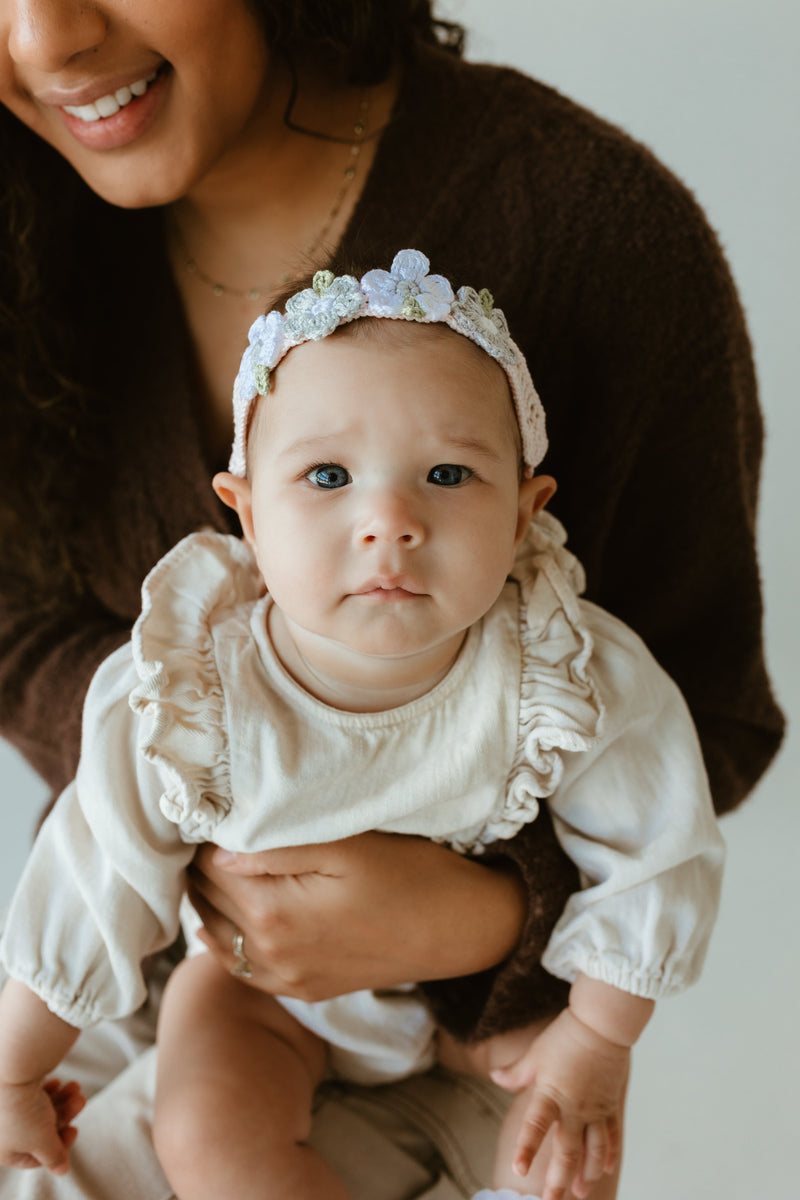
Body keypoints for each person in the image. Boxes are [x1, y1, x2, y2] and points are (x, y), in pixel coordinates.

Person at [0, 2, 783, 1197]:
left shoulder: (554, 649)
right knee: (195, 1143)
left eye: (449, 476)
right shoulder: (195, 674)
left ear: (529, 515)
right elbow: (92, 848)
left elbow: (676, 776)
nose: (43, 40)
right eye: (320, 477)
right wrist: (198, 851)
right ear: (239, 516)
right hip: (207, 976)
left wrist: (493, 934)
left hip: (492, 1005)